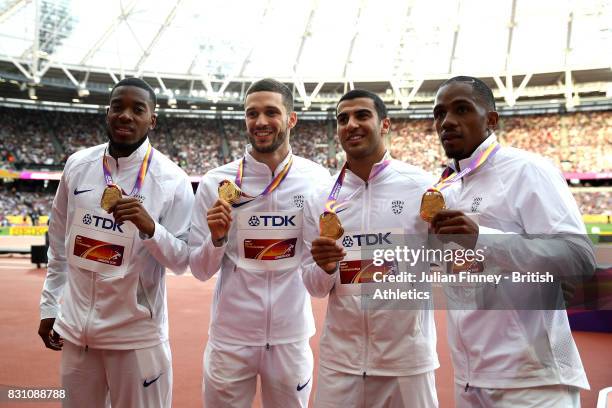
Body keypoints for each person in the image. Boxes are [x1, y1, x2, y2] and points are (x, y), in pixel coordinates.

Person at [430, 76, 595, 407]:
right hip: (470, 380)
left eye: (462, 109)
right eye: (439, 113)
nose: (447, 121)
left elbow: (578, 256)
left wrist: (483, 239)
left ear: (491, 119)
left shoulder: (528, 170)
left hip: (534, 380)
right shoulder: (445, 191)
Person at [38, 77, 194, 408]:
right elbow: (59, 245)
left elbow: (182, 260)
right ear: (107, 112)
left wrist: (150, 227)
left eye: (137, 109)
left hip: (137, 339)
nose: (125, 115)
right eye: (117, 107)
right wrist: (51, 305)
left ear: (152, 119)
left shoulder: (173, 180)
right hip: (78, 336)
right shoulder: (78, 165)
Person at [189, 78, 330, 407]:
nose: (261, 121)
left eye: (271, 112)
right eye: (252, 113)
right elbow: (198, 269)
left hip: (290, 337)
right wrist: (217, 239)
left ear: (291, 119)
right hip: (230, 338)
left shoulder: (317, 180)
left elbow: (316, 267)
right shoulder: (216, 182)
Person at [302, 89, 439, 407]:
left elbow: (452, 264)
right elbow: (314, 286)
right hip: (341, 364)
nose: (351, 124)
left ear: (385, 124)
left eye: (362, 115)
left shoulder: (422, 187)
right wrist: (324, 267)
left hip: (407, 363)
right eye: (342, 119)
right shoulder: (320, 196)